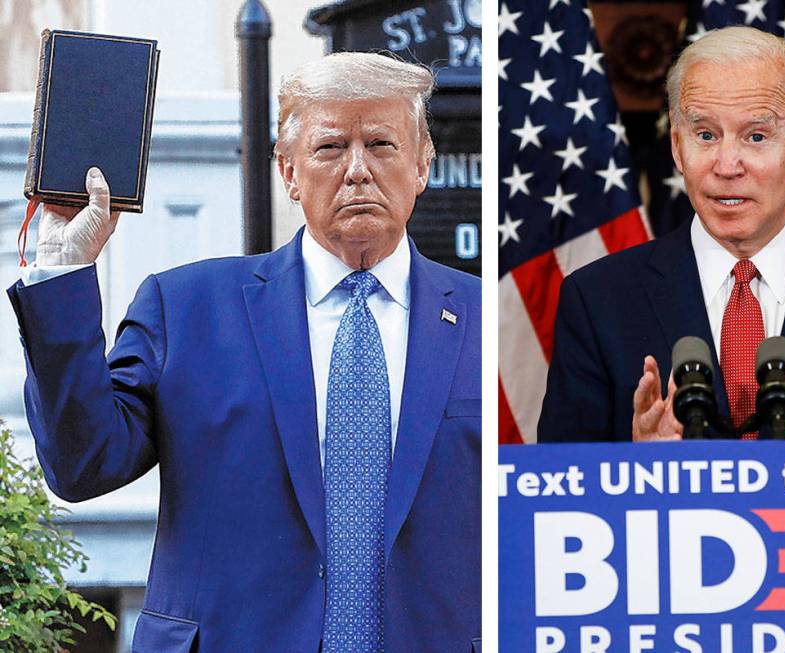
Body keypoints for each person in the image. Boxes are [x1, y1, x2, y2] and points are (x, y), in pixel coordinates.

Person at [7, 52, 481, 653]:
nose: (358, 170)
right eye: (331, 148)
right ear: (287, 171)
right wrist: (64, 270)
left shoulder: (490, 322)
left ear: (421, 167)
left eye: (383, 145)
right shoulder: (187, 308)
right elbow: (82, 464)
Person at [538, 26, 785, 443]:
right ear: (677, 146)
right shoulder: (596, 300)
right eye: (706, 135)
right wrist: (641, 467)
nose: (727, 165)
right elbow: (550, 490)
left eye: (756, 136)